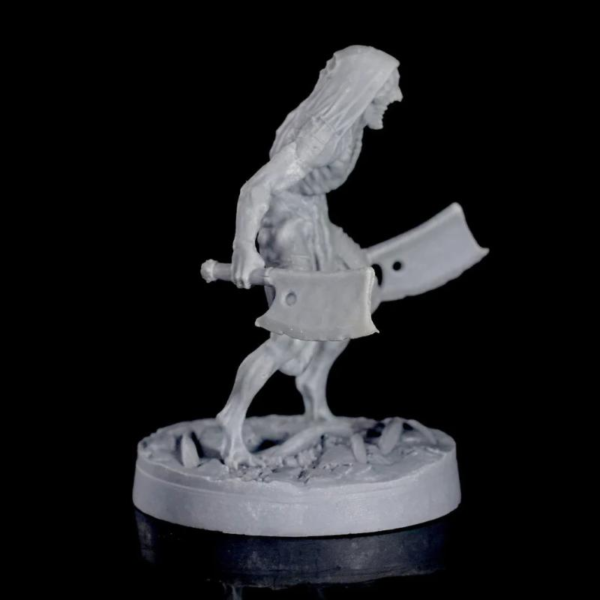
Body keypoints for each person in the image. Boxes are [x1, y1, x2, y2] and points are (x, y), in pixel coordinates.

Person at [216, 46, 403, 467]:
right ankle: (232, 421)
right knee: (289, 336)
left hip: (313, 214)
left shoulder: (348, 126)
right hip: (287, 225)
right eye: (389, 87)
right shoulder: (322, 137)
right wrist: (244, 246)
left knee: (361, 294)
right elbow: (257, 188)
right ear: (364, 88)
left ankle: (313, 391)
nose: (397, 96)